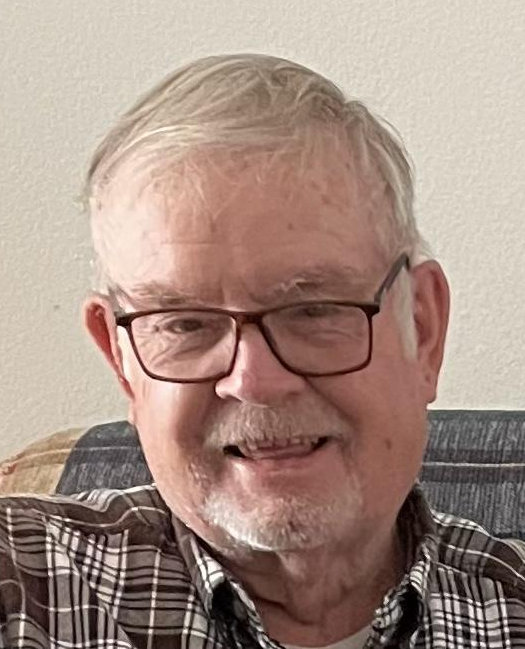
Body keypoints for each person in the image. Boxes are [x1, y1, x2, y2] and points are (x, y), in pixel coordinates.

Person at [1, 53, 524, 649]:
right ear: (122, 362)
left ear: (423, 331)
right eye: (186, 324)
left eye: (314, 310)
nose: (253, 380)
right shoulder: (25, 587)